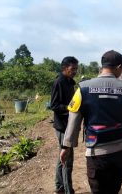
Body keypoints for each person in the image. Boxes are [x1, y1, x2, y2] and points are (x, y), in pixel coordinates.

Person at [60, 50, 122, 194]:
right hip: (119, 151)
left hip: (95, 153)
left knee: (98, 190)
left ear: (103, 66)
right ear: (119, 67)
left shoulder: (83, 88)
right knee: (113, 189)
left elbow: (74, 119)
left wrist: (67, 146)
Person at [50, 56, 79, 194]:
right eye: (72, 69)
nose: (75, 71)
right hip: (62, 126)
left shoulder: (69, 82)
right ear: (64, 68)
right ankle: (68, 190)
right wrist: (70, 109)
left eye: (76, 69)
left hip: (68, 124)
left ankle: (59, 187)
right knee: (67, 159)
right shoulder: (59, 82)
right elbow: (54, 105)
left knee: (61, 157)